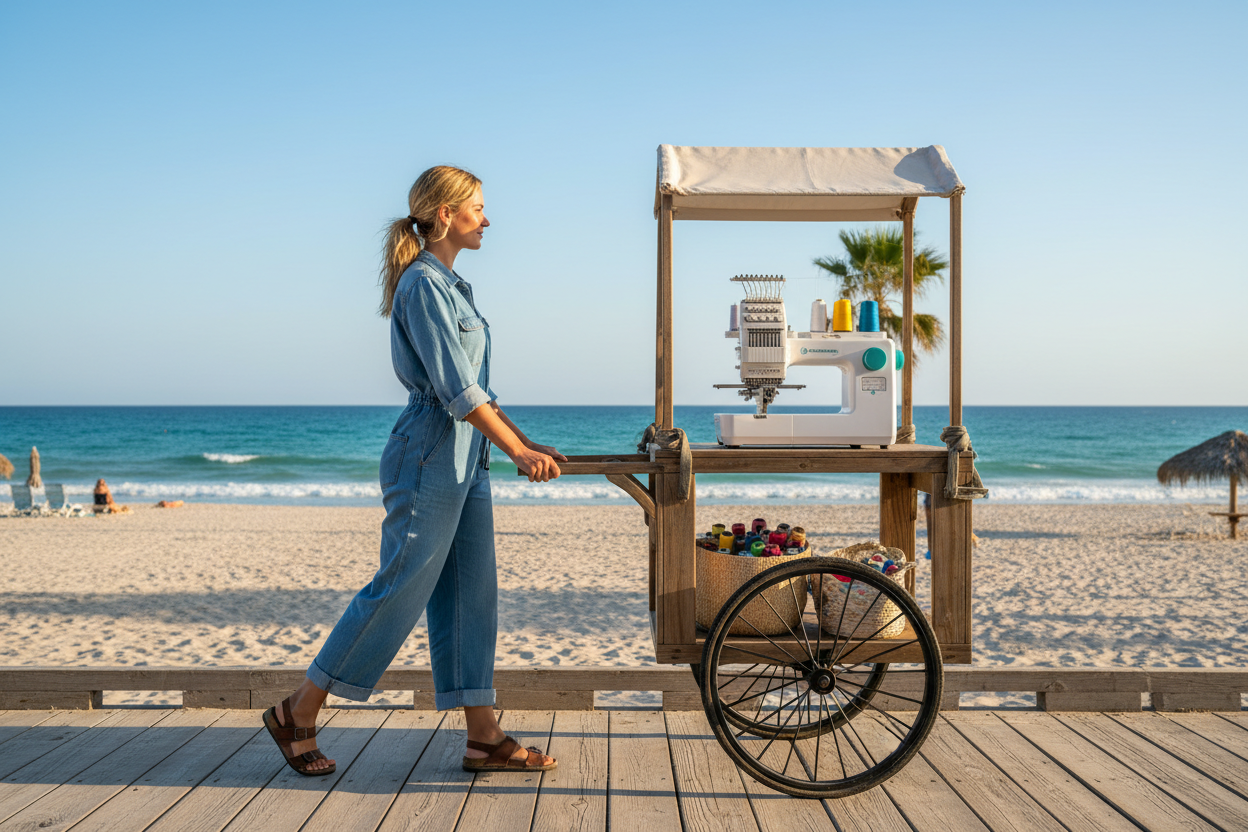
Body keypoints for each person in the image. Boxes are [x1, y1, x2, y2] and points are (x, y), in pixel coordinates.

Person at [263, 166, 564, 776]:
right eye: (477, 208)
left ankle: (483, 735)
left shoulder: (455, 287)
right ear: (446, 214)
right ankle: (298, 708)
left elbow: (478, 388)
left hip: (465, 455)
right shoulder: (422, 285)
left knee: (470, 596)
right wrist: (517, 454)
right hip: (429, 453)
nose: (487, 218)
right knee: (399, 586)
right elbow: (455, 389)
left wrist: (525, 440)